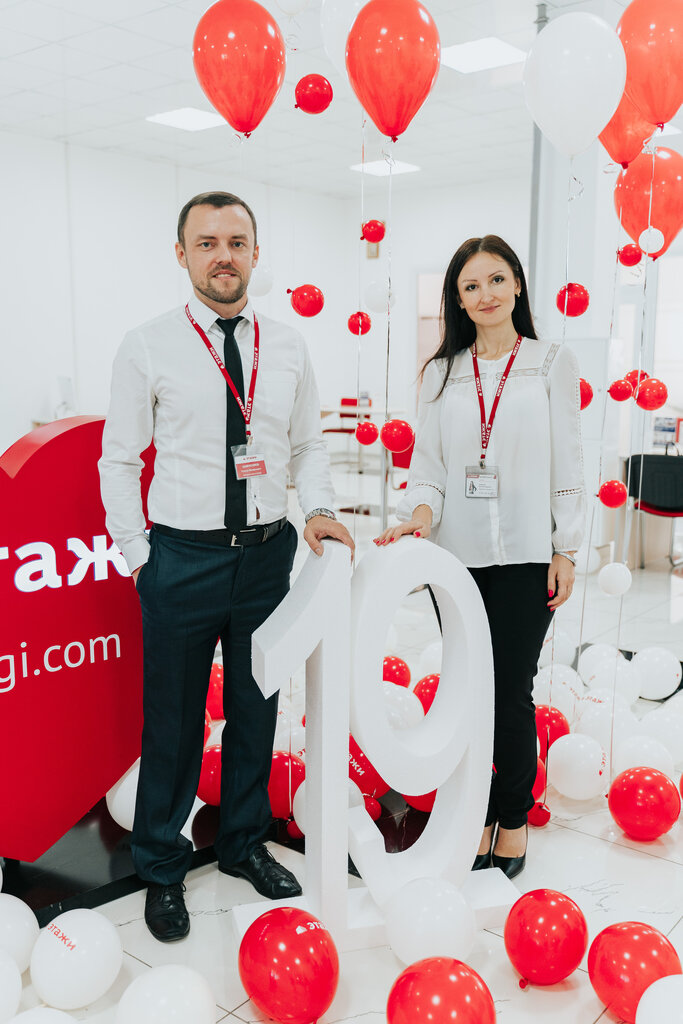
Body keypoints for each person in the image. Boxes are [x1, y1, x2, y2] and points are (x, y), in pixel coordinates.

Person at [99, 191, 353, 942]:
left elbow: (307, 444)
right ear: (181, 254)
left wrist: (317, 507)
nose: (223, 256)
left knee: (254, 708)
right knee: (174, 722)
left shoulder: (289, 345)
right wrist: (140, 556)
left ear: (255, 252)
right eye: (206, 242)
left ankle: (244, 843)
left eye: (237, 242)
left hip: (267, 554)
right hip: (181, 559)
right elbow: (119, 459)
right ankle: (161, 867)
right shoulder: (147, 345)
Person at [375, 235, 584, 878]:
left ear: (517, 284)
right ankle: (477, 811)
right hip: (457, 560)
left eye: (496, 280)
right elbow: (429, 467)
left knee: (511, 692)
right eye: (471, 286)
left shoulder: (550, 363)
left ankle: (511, 816)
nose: (485, 294)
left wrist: (567, 547)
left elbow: (569, 461)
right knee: (470, 690)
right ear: (458, 301)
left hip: (527, 555)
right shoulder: (442, 374)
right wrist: (418, 517)